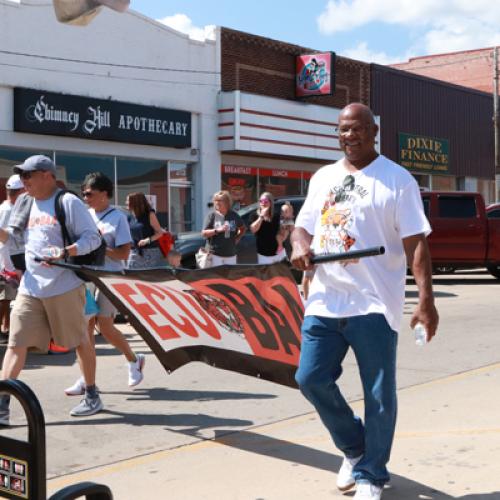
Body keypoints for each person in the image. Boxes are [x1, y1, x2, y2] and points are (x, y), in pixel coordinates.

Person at [291, 103, 439, 500]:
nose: (348, 136)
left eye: (356, 129)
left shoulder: (397, 180)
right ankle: (356, 449)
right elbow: (301, 228)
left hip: (374, 303)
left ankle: (372, 474)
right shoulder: (323, 177)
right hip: (324, 300)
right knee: (310, 378)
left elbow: (416, 244)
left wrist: (426, 300)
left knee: (377, 392)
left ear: (374, 131)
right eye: (342, 129)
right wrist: (299, 247)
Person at [0, 155, 104, 423]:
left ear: (47, 175)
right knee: (15, 344)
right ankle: (2, 404)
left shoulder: (67, 201)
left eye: (28, 175)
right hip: (31, 287)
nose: (24, 181)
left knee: (80, 340)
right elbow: (12, 238)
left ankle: (92, 393)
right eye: (21, 176)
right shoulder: (24, 201)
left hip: (65, 286)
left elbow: (93, 238)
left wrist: (66, 252)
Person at [64, 173, 145, 397]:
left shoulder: (118, 218)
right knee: (85, 329)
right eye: (83, 193)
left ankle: (133, 359)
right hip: (86, 278)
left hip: (109, 278)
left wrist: (99, 247)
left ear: (104, 194)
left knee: (106, 327)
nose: (85, 197)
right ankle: (86, 379)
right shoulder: (85, 215)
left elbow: (123, 253)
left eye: (89, 193)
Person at [0, 175, 25, 337]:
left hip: (11, 259)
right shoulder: (7, 210)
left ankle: (6, 327)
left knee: (8, 297)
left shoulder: (7, 208)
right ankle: (4, 328)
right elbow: (4, 240)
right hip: (8, 260)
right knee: (6, 297)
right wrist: (9, 267)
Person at [201, 190, 246, 266]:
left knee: (230, 277)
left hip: (231, 255)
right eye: (215, 200)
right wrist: (218, 230)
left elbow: (243, 228)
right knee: (216, 277)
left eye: (219, 200)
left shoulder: (234, 215)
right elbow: (203, 234)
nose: (217, 202)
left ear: (226, 202)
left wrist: (237, 238)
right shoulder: (212, 216)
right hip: (215, 255)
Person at [126, 192, 165, 269]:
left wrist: (147, 240)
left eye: (128, 201)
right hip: (135, 251)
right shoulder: (130, 216)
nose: (126, 202)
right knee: (131, 275)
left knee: (146, 278)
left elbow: (160, 233)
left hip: (150, 252)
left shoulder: (150, 214)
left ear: (135, 202)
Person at [249, 192, 283, 264]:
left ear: (270, 203)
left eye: (265, 201)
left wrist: (280, 244)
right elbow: (253, 230)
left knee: (277, 273)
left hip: (277, 251)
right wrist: (261, 216)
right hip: (263, 252)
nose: (263, 203)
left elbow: (280, 232)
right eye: (261, 201)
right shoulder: (254, 215)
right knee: (264, 274)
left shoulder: (276, 216)